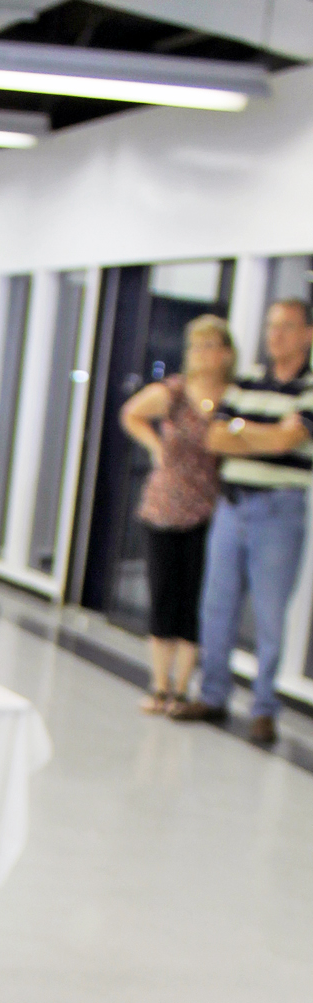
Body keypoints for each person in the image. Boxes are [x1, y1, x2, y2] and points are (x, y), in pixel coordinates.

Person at [175, 295, 313, 743]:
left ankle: (264, 708)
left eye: (287, 327)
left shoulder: (309, 389)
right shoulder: (247, 383)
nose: (276, 335)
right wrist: (264, 434)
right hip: (231, 507)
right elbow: (216, 438)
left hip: (279, 510)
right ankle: (213, 696)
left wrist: (247, 433)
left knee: (270, 615)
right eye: (272, 325)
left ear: (308, 334)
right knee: (216, 607)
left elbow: (288, 442)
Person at [118, 315, 234, 713]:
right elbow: (131, 413)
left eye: (210, 346)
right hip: (166, 505)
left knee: (194, 599)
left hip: (209, 508)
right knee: (163, 593)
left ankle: (184, 687)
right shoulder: (174, 391)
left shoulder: (233, 398)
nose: (202, 354)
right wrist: (155, 446)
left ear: (226, 353)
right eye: (196, 346)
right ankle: (159, 684)